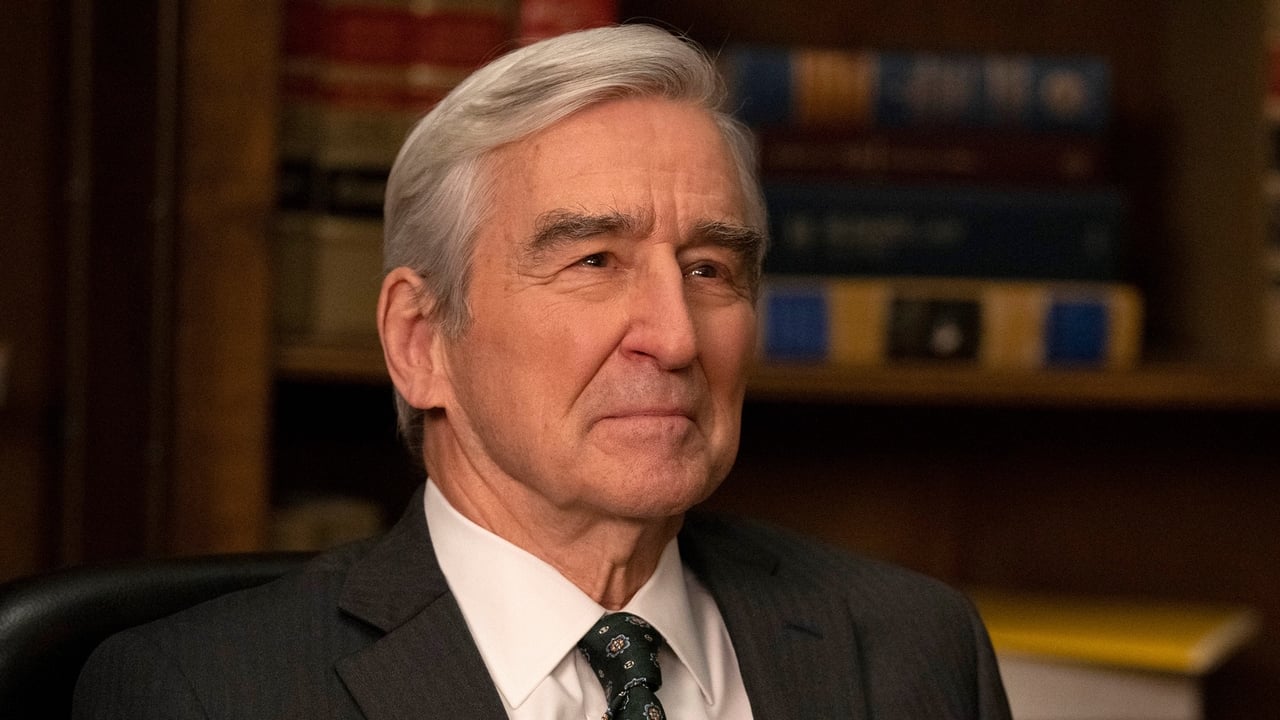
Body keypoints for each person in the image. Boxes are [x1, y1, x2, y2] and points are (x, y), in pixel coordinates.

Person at [74, 24, 1012, 719]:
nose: (675, 338)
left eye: (709, 270)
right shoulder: (203, 693)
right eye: (594, 261)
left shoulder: (911, 650)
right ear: (421, 341)